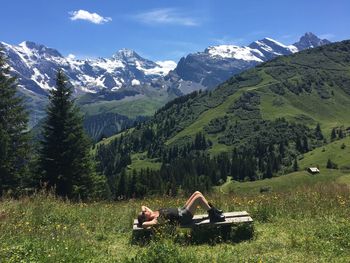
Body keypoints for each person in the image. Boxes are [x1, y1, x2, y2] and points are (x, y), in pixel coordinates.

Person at [137, 191, 225, 228]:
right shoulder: (155, 220)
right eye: (144, 213)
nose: (145, 211)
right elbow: (144, 224)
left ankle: (213, 210)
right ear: (146, 218)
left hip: (181, 210)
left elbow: (143, 206)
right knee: (198, 198)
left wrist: (143, 213)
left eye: (144, 211)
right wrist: (142, 222)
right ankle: (213, 216)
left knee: (197, 193)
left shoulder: (153, 213)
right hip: (183, 217)